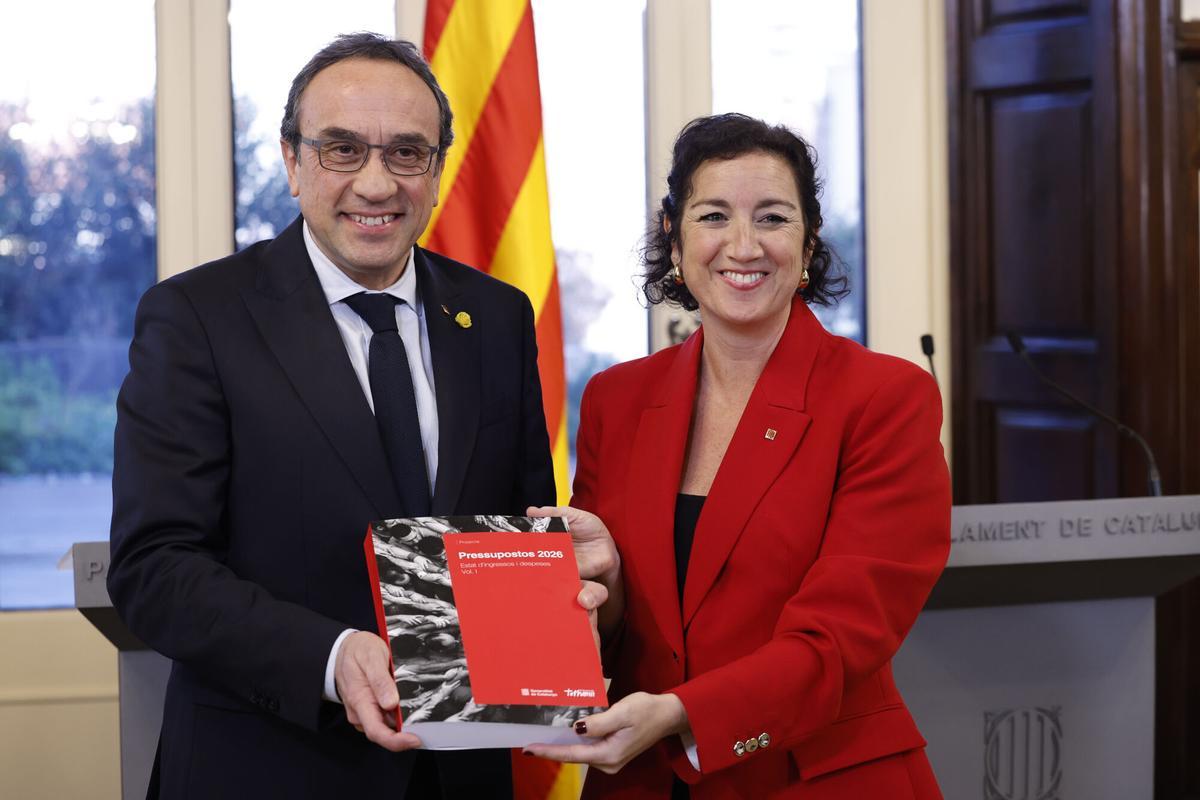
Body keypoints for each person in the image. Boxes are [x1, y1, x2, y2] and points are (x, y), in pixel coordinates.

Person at [106, 33, 555, 799]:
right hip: (268, 766)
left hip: (462, 773)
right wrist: (332, 652)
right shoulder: (197, 318)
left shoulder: (499, 317)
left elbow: (514, 533)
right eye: (342, 150)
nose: (375, 184)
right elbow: (154, 568)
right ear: (292, 161)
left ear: (439, 169)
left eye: (407, 153)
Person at [525, 113, 952, 799]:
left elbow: (844, 635)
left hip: (813, 778)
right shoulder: (616, 398)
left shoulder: (886, 398)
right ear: (675, 238)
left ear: (809, 242)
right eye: (713, 215)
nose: (743, 245)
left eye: (774, 218)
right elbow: (616, 623)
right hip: (640, 778)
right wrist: (599, 588)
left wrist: (683, 714)